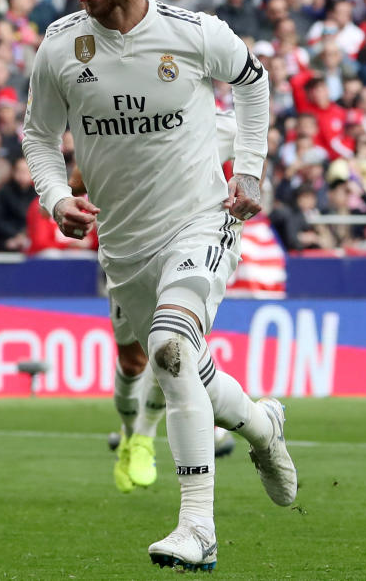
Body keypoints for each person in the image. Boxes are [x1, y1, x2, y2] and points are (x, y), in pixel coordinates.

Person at [21, 0, 296, 572]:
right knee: (190, 369)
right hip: (125, 244)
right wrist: (56, 197)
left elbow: (254, 82)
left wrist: (250, 173)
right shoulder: (60, 46)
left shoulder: (193, 33)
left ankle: (197, 527)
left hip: (202, 220)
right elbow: (37, 135)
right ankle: (261, 425)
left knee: (171, 349)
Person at [73, 111, 241, 493]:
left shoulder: (223, 126)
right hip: (130, 254)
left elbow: (255, 141)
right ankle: (131, 437)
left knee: (171, 346)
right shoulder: (129, 115)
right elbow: (78, 179)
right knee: (132, 360)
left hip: (188, 251)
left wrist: (245, 179)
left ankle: (146, 437)